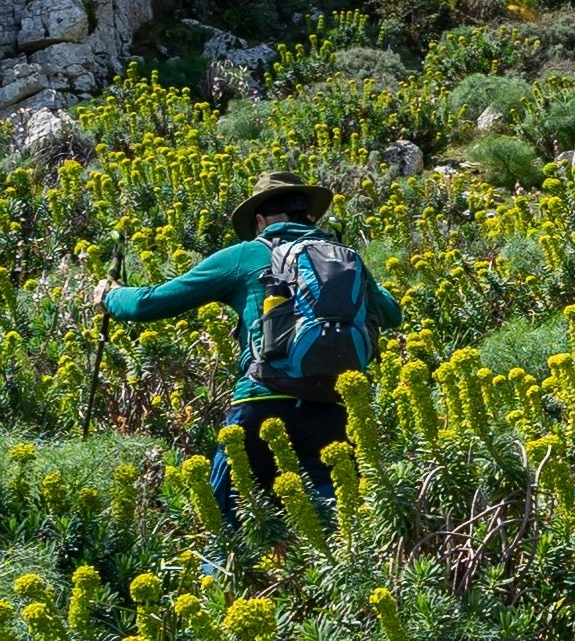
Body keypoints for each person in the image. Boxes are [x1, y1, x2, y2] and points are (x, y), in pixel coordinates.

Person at [99, 182, 393, 531]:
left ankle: (222, 579)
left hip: (261, 404)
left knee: (225, 530)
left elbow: (150, 303)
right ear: (311, 216)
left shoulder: (246, 255)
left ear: (259, 220)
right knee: (335, 531)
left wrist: (109, 296)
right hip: (333, 412)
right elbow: (392, 315)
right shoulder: (345, 258)